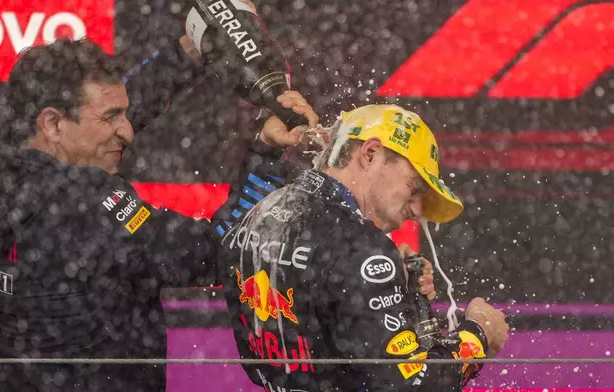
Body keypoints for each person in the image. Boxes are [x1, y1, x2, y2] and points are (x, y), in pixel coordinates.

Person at [0, 37, 320, 392]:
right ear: (53, 124)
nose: (128, 130)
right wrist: (265, 153)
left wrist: (185, 55)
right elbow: (221, 250)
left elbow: (89, 117)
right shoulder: (87, 201)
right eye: (111, 117)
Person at [217, 104, 509, 391]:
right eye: (415, 187)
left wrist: (395, 290)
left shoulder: (260, 213)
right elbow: (413, 386)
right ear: (370, 154)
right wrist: (477, 336)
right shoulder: (359, 247)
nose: (418, 209)